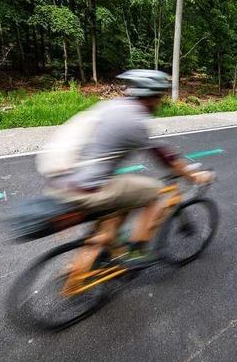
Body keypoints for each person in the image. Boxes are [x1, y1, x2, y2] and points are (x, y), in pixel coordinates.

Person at [36, 69, 212, 274]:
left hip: (63, 182)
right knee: (154, 192)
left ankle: (101, 251)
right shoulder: (134, 122)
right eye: (160, 97)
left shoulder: (111, 107)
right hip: (88, 188)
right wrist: (194, 175)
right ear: (151, 97)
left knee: (125, 192)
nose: (160, 102)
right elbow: (166, 158)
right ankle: (137, 251)